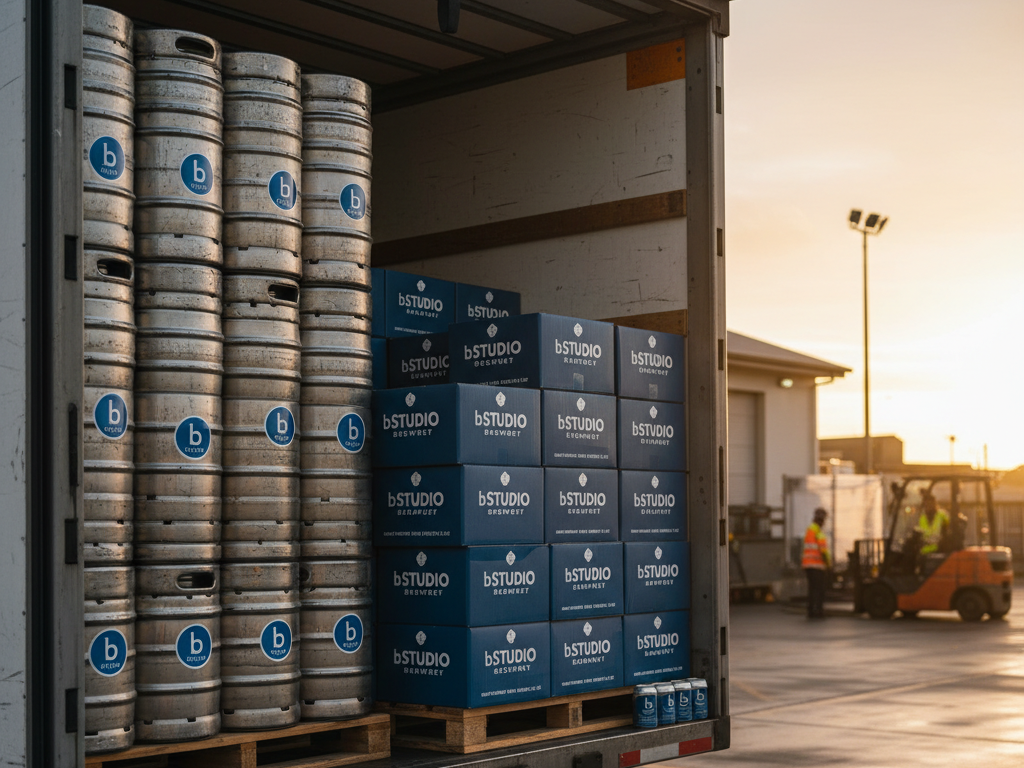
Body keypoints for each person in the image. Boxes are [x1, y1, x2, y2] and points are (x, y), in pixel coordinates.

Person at [802, 508, 831, 618]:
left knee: (812, 589)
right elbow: (823, 551)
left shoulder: (809, 530)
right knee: (819, 590)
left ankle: (811, 610)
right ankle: (818, 611)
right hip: (817, 565)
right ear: (821, 520)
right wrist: (828, 564)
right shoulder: (818, 532)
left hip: (808, 565)